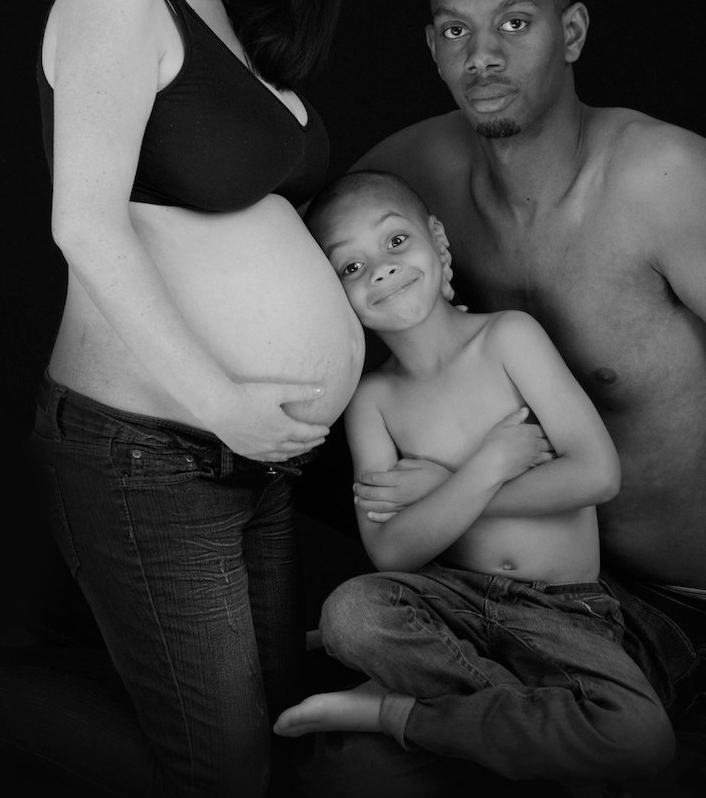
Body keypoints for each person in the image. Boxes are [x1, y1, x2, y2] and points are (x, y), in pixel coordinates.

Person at [0, 0, 364, 798]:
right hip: (150, 451)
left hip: (246, 453)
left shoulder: (233, 19)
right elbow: (85, 227)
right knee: (225, 770)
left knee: (270, 739)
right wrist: (224, 402)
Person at [350, 0, 706, 727]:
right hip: (494, 587)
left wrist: (460, 491)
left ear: (569, 33)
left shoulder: (669, 183)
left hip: (668, 607)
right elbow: (309, 266)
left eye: (514, 23)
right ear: (432, 47)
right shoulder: (408, 179)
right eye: (457, 30)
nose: (483, 56)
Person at [273, 169, 675, 790]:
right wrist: (483, 468)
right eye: (349, 268)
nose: (379, 269)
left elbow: (597, 474)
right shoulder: (373, 400)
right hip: (451, 608)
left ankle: (391, 710)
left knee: (639, 739)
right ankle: (533, 728)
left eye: (395, 242)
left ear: (437, 239)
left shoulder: (507, 337)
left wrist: (441, 489)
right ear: (333, 296)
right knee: (350, 614)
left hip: (562, 612)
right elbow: (390, 550)